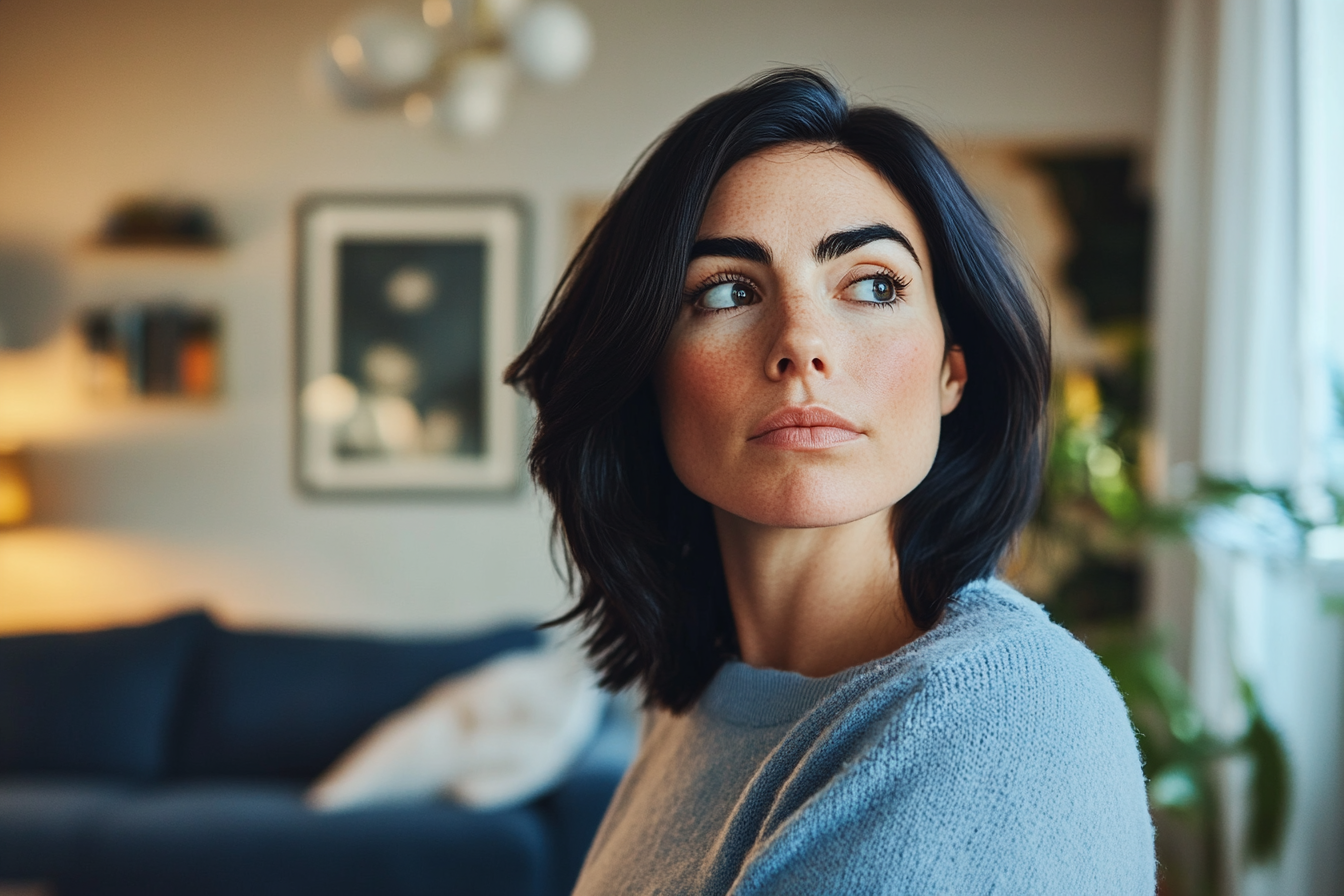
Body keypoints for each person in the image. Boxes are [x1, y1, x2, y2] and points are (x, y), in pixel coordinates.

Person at [506, 69, 1155, 895]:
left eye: (874, 285)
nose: (802, 344)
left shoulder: (1008, 712)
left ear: (953, 373)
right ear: (647, 375)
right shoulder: (697, 698)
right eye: (728, 291)